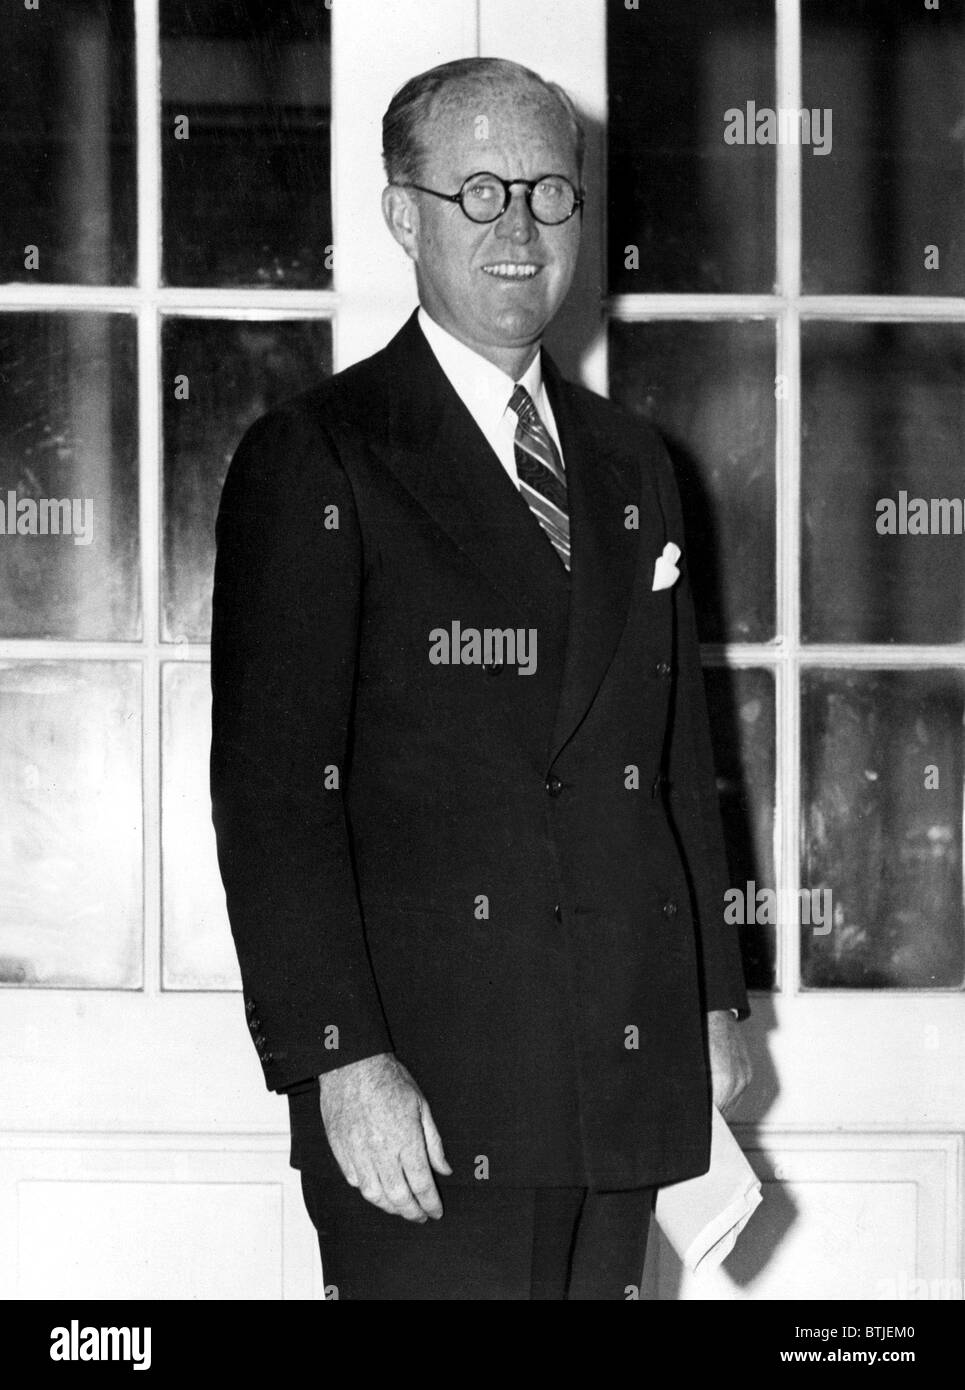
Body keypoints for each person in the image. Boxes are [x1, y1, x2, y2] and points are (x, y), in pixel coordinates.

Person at [210, 57, 751, 1301]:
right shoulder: (318, 458)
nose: (518, 228)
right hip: (430, 1102)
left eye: (549, 193)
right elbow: (275, 800)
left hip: (618, 1073)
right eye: (479, 192)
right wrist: (342, 1062)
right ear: (404, 214)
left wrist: (711, 1002)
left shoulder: (631, 464)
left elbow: (674, 764)